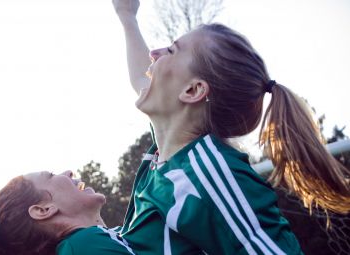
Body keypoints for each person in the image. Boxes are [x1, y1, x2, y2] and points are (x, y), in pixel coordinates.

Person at [112, 0, 350, 254]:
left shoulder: (209, 173)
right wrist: (126, 15)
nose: (154, 54)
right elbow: (143, 76)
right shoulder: (168, 155)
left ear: (193, 90)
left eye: (171, 50)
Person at [0, 170, 135, 255]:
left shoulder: (111, 238)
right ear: (43, 210)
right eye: (51, 175)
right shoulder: (84, 246)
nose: (68, 173)